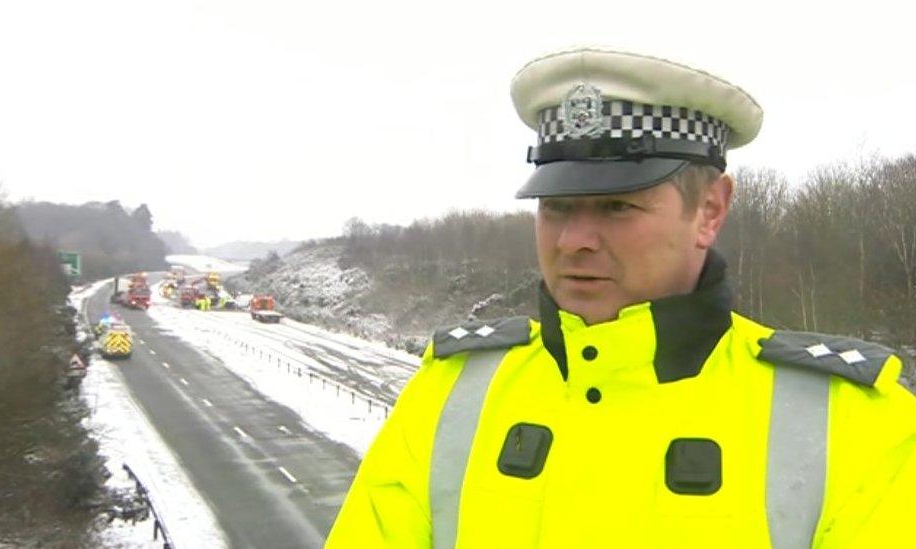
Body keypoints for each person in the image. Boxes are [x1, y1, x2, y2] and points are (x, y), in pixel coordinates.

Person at [325, 46, 916, 548]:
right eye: (556, 207)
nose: (575, 241)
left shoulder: (855, 425)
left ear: (709, 210)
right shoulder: (450, 394)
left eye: (618, 206)